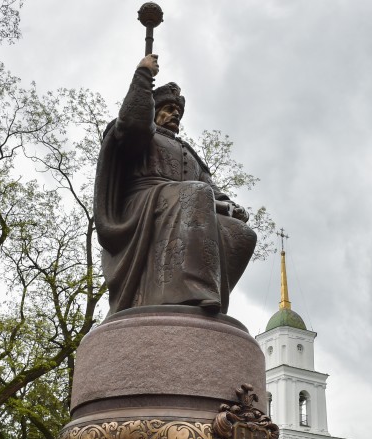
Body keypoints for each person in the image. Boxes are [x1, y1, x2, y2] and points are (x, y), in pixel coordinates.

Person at [93, 53, 257, 316]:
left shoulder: (189, 152)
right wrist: (143, 76)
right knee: (194, 194)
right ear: (154, 111)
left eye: (178, 111)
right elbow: (133, 123)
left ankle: (211, 301)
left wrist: (230, 207)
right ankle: (190, 292)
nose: (174, 115)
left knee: (241, 234)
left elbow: (212, 188)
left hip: (190, 203)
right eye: (168, 109)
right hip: (144, 204)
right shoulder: (142, 134)